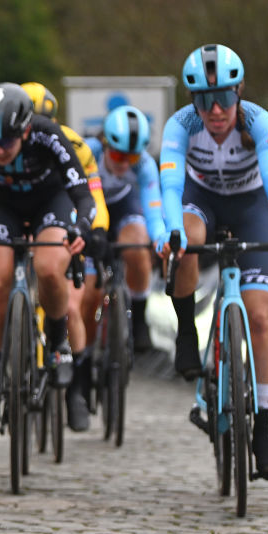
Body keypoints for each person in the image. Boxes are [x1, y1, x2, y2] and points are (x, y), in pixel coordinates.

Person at [157, 43, 268, 481]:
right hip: (201, 203)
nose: (216, 109)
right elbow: (170, 186)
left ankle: (263, 428)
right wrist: (172, 230)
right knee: (187, 237)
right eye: (204, 99)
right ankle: (187, 332)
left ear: (239, 91)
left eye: (224, 97)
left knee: (260, 319)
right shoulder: (181, 125)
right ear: (192, 101)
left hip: (253, 207)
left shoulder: (259, 122)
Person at [0, 82, 93, 435]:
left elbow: (82, 195)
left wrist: (82, 227)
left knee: (51, 268)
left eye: (7, 142)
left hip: (48, 203)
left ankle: (57, 340)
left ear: (26, 129)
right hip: (1, 206)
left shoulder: (47, 134)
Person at [70, 105, 166, 431]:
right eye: (119, 156)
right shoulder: (89, 152)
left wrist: (160, 242)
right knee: (87, 299)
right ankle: (83, 364)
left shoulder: (145, 165)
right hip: (89, 213)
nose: (125, 164)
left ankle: (138, 319)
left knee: (139, 245)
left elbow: (153, 212)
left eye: (132, 158)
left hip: (123, 211)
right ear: (105, 143)